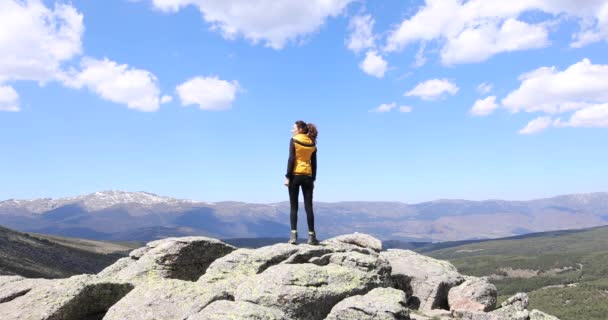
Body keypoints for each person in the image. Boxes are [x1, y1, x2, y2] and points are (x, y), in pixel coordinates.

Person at [284, 120, 318, 245]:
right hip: (308, 176)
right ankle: (312, 236)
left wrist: (287, 176)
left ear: (300, 129)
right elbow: (314, 163)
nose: (291, 130)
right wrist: (313, 177)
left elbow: (291, 159)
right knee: (309, 207)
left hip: (295, 176)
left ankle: (293, 236)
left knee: (294, 207)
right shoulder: (312, 143)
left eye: (293, 128)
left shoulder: (294, 140)